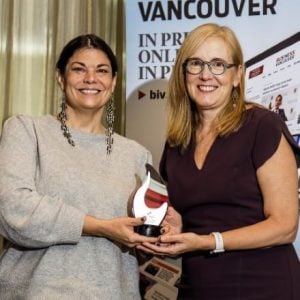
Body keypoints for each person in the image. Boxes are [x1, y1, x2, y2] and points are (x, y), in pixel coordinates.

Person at [138, 23, 300, 299]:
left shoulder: (263, 126)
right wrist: (174, 224)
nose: (205, 75)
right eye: (196, 63)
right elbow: (189, 216)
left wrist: (208, 241)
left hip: (264, 286)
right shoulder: (177, 141)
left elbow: (285, 226)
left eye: (218, 64)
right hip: (199, 287)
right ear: (183, 72)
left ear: (237, 75)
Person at [0, 34, 157, 299]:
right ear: (60, 77)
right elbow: (13, 210)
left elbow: (142, 239)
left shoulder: (137, 155)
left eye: (102, 71)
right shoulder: (27, 130)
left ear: (114, 81)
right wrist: (99, 226)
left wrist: (159, 232)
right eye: (79, 69)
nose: (91, 79)